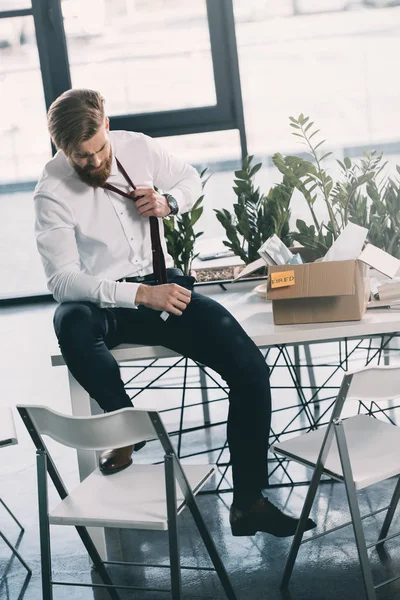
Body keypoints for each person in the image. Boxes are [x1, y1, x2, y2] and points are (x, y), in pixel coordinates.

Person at [34, 88, 316, 538]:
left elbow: (188, 179)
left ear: (106, 126)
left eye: (97, 150)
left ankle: (249, 503)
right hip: (101, 303)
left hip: (164, 287)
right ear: (61, 149)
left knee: (249, 368)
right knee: (69, 322)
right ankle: (127, 425)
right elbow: (62, 281)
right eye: (79, 158)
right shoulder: (51, 190)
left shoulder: (138, 147)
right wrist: (138, 296)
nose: (92, 163)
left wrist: (169, 203)